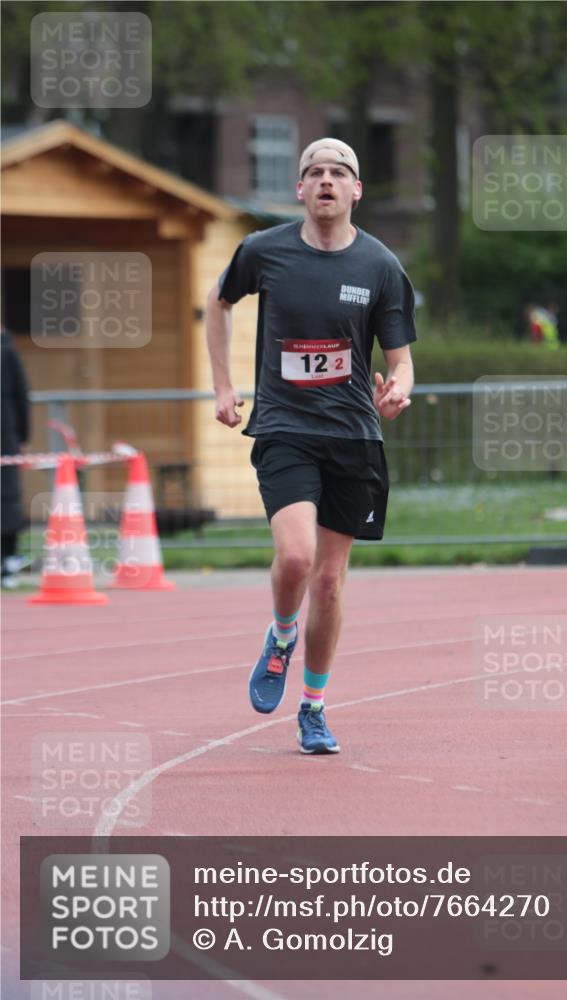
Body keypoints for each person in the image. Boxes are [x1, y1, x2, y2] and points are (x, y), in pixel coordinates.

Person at [205, 137, 416, 755]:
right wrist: (223, 385)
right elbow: (218, 302)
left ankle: (314, 707)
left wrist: (397, 392)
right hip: (284, 429)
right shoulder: (263, 251)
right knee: (295, 559)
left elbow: (402, 363)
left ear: (356, 191)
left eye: (339, 172)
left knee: (329, 581)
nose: (326, 180)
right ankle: (279, 636)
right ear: (299, 190)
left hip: (353, 435)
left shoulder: (380, 266)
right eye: (314, 172)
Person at [1, 327, 31, 588]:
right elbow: (22, 397)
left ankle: (9, 560)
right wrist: (22, 436)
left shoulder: (7, 350)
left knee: (8, 498)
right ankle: (9, 560)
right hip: (6, 435)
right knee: (8, 497)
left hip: (6, 436)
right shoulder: (8, 350)